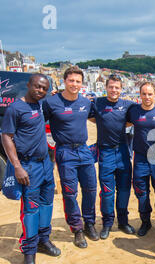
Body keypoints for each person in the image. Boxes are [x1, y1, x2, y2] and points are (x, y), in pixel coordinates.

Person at [1, 74, 60, 264]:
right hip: (28, 166)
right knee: (31, 210)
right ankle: (29, 251)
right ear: (28, 85)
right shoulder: (15, 108)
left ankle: (44, 240)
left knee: (47, 204)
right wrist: (17, 166)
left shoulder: (42, 105)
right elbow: (6, 137)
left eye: (44, 88)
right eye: (37, 87)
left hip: (45, 164)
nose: (40, 91)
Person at [42, 66, 98, 248]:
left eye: (78, 81)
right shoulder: (51, 102)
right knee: (70, 193)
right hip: (65, 152)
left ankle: (89, 223)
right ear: (64, 81)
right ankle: (77, 229)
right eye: (71, 80)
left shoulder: (86, 102)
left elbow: (98, 118)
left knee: (90, 188)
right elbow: (37, 122)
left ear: (82, 84)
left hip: (84, 150)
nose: (74, 84)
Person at [89, 74, 135, 239]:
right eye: (111, 87)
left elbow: (139, 115)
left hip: (123, 151)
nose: (114, 90)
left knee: (123, 189)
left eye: (117, 87)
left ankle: (123, 221)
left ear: (121, 89)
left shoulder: (128, 105)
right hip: (106, 152)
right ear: (106, 88)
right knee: (107, 192)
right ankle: (107, 223)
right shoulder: (97, 103)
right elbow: (90, 116)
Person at [126, 81, 155, 237]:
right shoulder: (134, 111)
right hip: (140, 158)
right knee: (141, 191)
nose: (147, 97)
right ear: (140, 95)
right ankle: (145, 222)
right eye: (144, 94)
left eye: (150, 94)